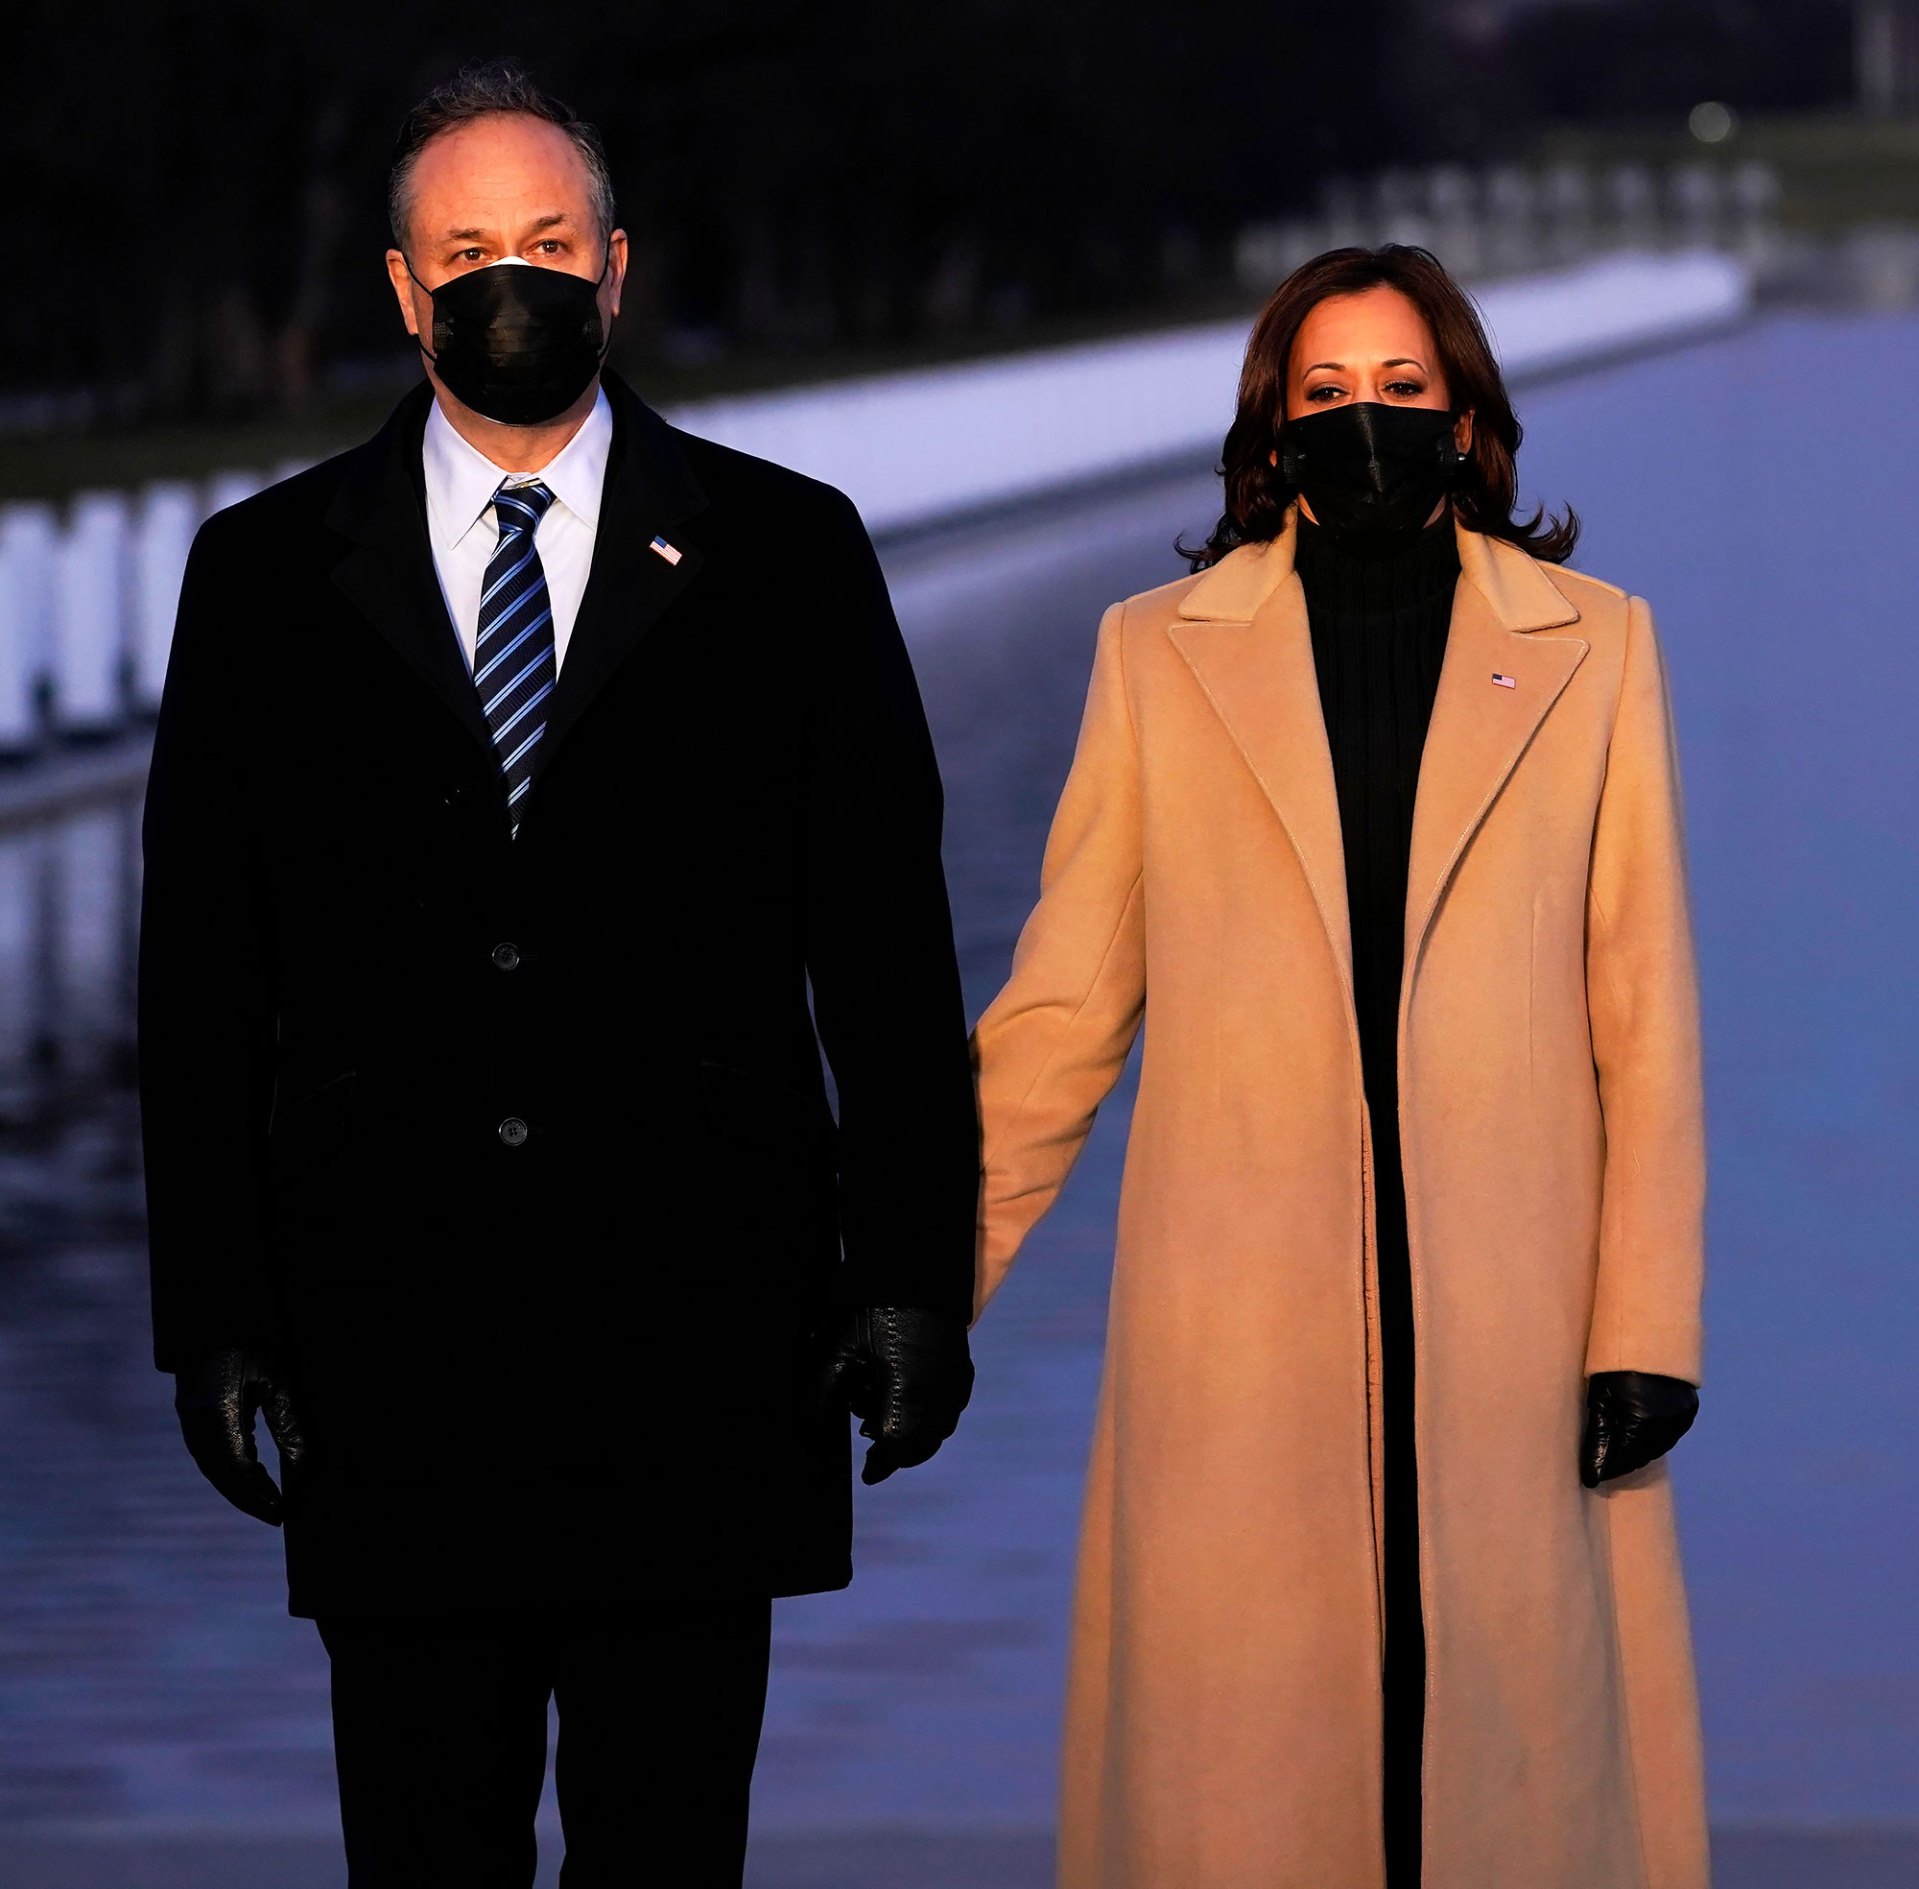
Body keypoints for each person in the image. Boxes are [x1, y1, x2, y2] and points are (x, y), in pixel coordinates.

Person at [137, 60, 979, 1888]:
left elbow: (888, 953)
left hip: (701, 1333)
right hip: (390, 1343)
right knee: (421, 1854)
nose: (507, 279)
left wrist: (915, 1276)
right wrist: (212, 1310)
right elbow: (201, 977)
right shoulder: (262, 575)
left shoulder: (787, 551)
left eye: (544, 239)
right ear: (400, 287)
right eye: (465, 252)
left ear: (616, 265)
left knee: (668, 1852)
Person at [969, 245, 1709, 1889]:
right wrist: (908, 1277)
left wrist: (1647, 1329)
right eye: (1324, 391)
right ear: (1273, 426)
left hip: (1516, 1334)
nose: (1363, 417)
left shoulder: (1599, 647)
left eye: (1400, 387)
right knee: (1252, 1798)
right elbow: (1061, 1012)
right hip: (1236, 1350)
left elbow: (1646, 1017)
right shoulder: (1154, 653)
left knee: (1512, 1780)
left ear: (1466, 420)